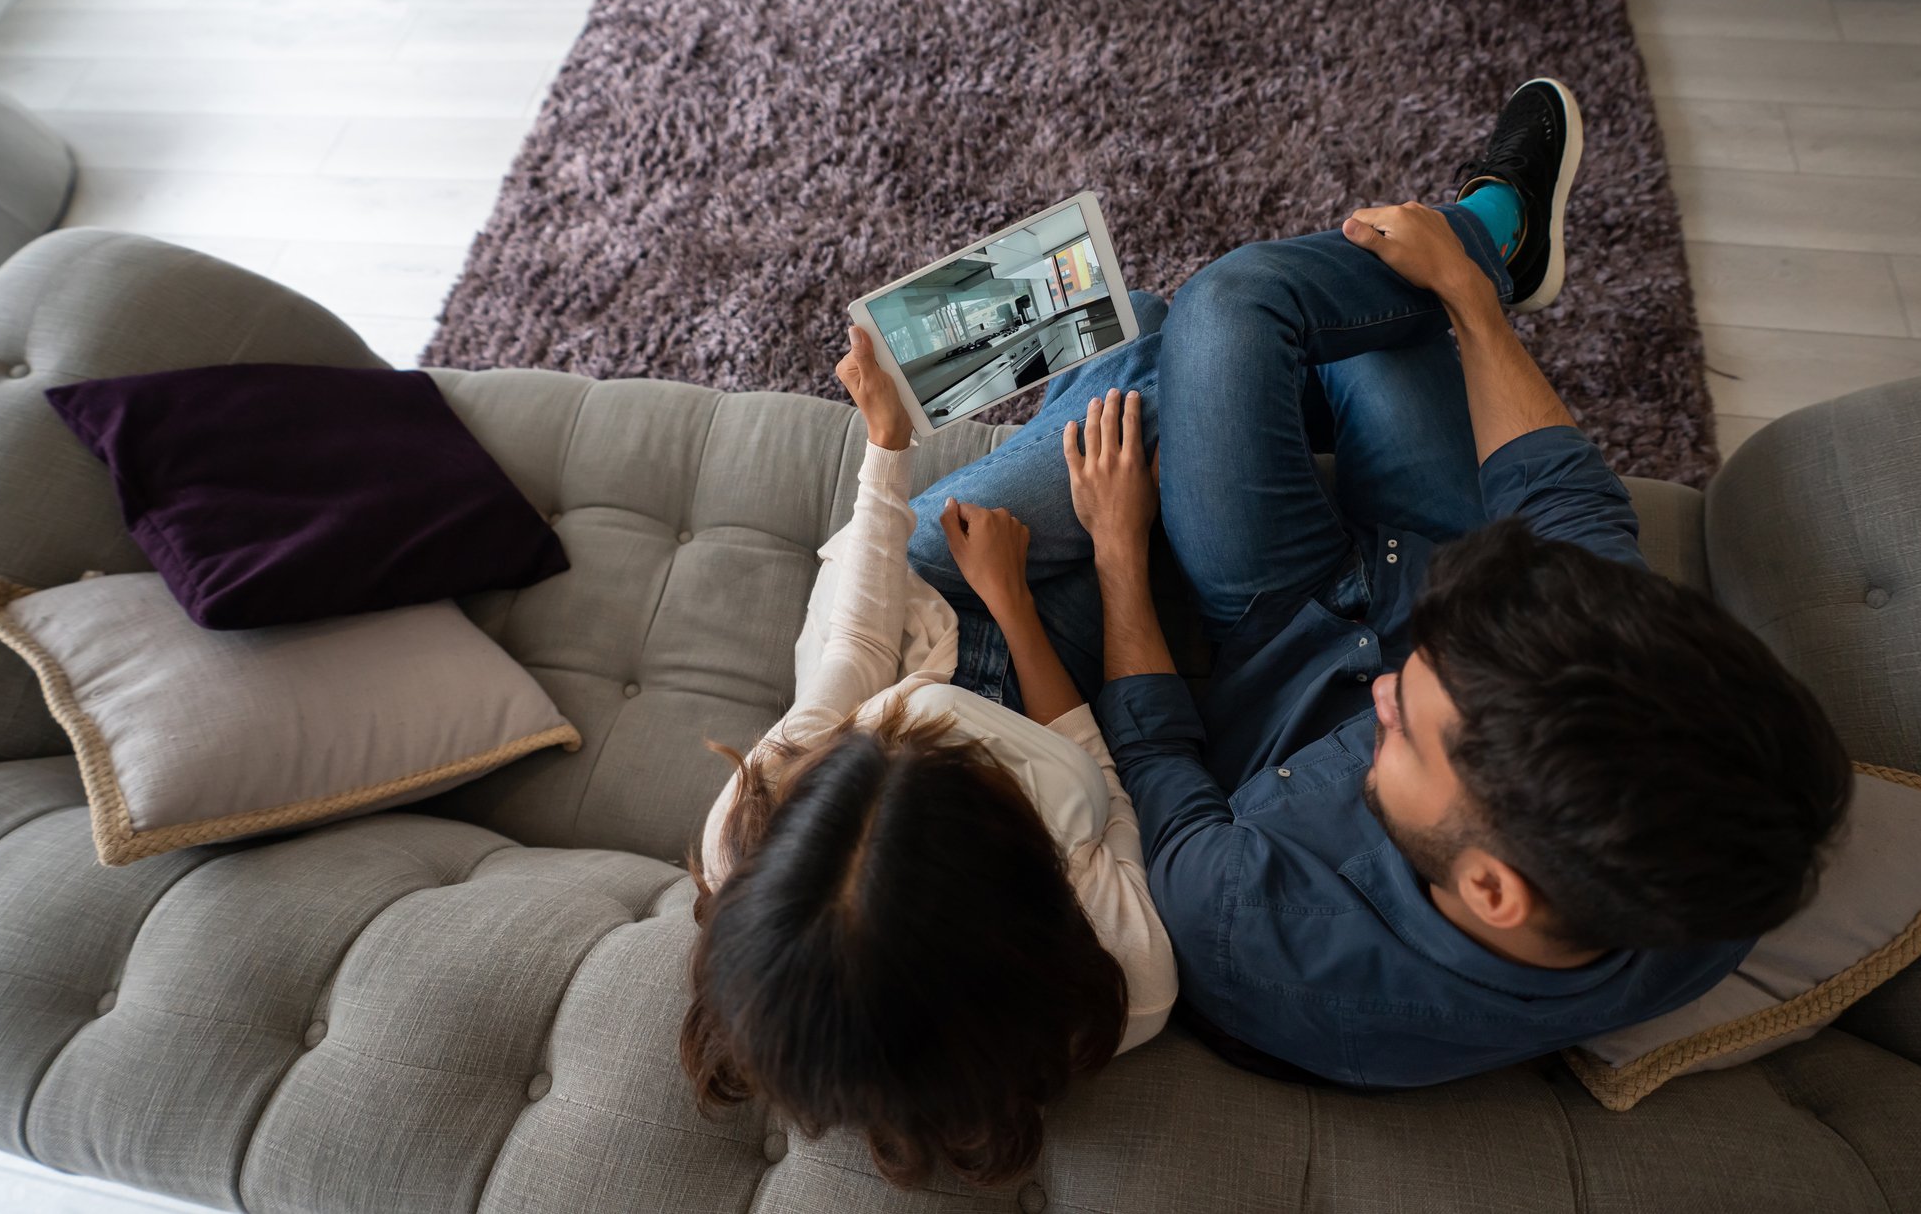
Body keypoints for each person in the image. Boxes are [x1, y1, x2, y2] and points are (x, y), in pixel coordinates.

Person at [905, 77, 1854, 1087]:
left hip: (1269, 628)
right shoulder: (1702, 812)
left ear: (1490, 889)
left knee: (950, 521)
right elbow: (1560, 500)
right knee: (1359, 311)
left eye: (1400, 720)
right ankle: (1492, 241)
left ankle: (1150, 351)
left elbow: (1153, 756)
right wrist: (1474, 303)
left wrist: (1116, 547)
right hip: (1428, 551)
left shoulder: (1258, 931)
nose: (1385, 684)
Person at [680, 326, 1176, 1189]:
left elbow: (858, 655)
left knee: (1130, 357)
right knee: (1153, 376)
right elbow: (1106, 780)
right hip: (1046, 681)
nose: (900, 728)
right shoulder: (1126, 976)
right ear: (1022, 862)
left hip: (924, 610)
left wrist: (886, 445)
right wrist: (1039, 590)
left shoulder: (750, 829)